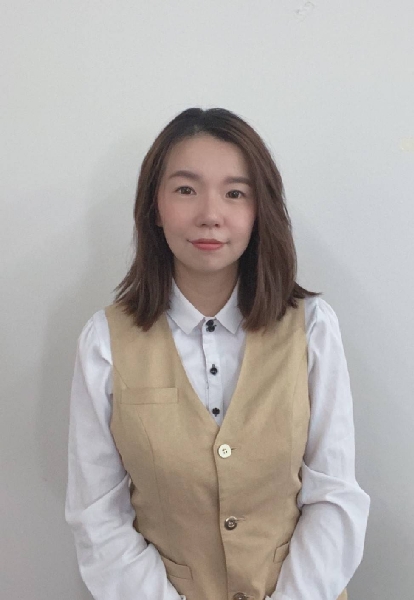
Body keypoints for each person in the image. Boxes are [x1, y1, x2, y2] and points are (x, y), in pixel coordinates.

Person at [65, 107, 371, 600]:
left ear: (259, 209)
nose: (210, 213)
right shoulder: (104, 341)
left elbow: (334, 494)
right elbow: (97, 514)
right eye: (186, 189)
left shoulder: (312, 328)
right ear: (154, 207)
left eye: (235, 193)